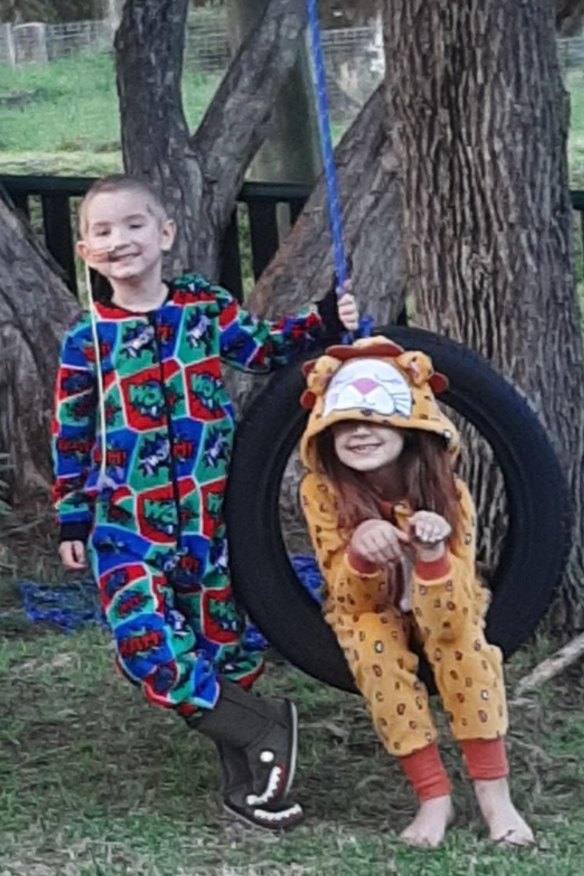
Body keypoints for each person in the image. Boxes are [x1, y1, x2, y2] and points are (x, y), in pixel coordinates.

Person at [52, 173, 359, 830]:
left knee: (223, 647)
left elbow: (267, 348)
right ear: (86, 252)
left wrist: (326, 319)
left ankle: (251, 787)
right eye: (102, 231)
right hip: (125, 528)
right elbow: (71, 432)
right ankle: (265, 731)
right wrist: (71, 515)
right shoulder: (88, 339)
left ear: (165, 234)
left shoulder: (203, 308)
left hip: (208, 523)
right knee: (149, 646)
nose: (120, 239)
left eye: (134, 224)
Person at [298, 335, 534, 848]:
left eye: (377, 418)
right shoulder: (321, 492)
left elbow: (452, 616)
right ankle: (433, 796)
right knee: (371, 647)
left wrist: (431, 558)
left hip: (445, 604)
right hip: (369, 607)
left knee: (466, 650)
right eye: (344, 422)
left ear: (412, 424)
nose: (360, 431)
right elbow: (351, 598)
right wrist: (360, 553)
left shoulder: (449, 491)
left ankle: (497, 799)